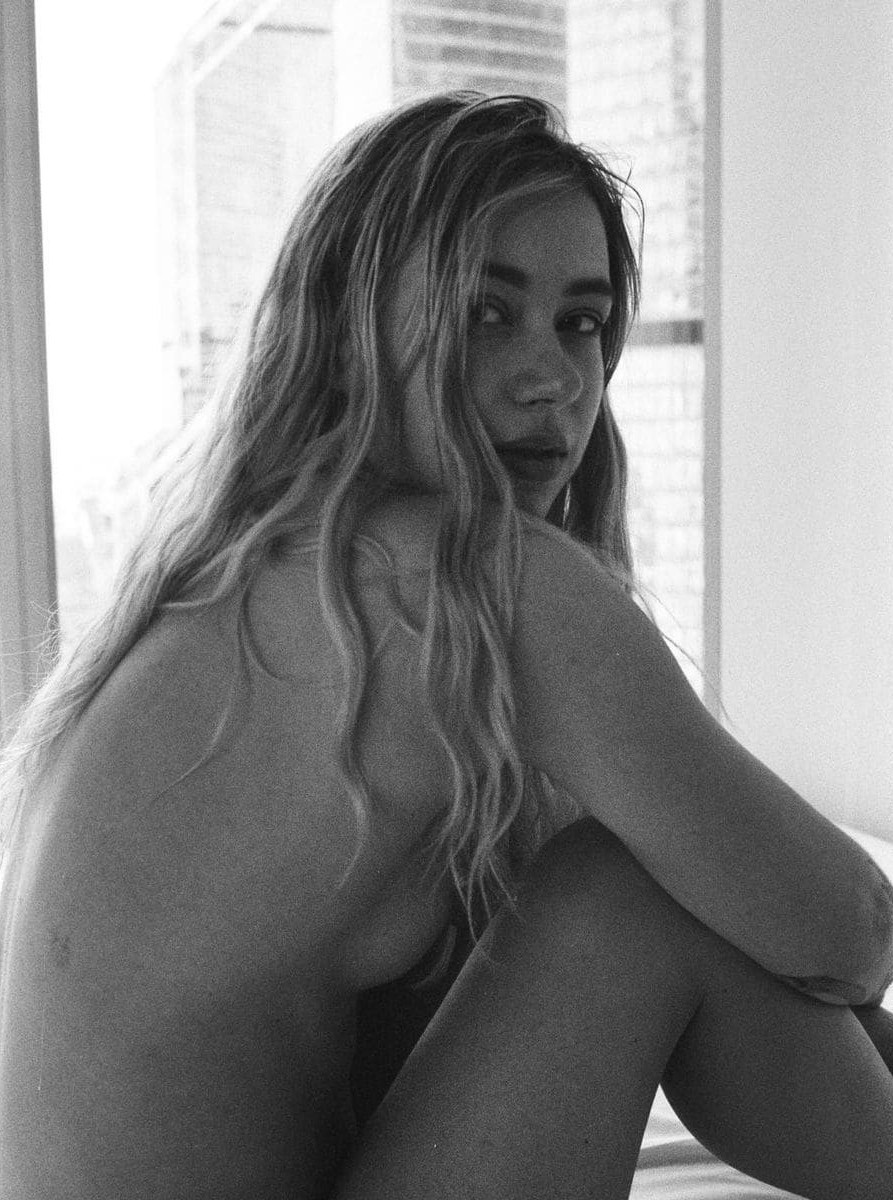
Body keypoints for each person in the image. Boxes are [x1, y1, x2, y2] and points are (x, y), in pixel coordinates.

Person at [1, 92, 892, 1200]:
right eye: (484, 313)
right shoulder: (464, 579)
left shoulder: (258, 578)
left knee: (593, 892)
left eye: (580, 322)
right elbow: (848, 931)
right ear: (350, 332)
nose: (551, 377)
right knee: (630, 892)